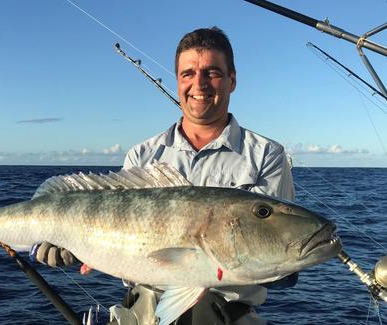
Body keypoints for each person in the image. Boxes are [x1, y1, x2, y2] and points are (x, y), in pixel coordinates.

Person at [31, 27, 296, 324]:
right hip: (142, 313)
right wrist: (74, 247)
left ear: (232, 80)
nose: (200, 83)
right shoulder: (142, 155)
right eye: (188, 74)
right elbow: (111, 234)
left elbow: (277, 262)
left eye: (212, 72)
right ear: (178, 80)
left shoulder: (267, 155)